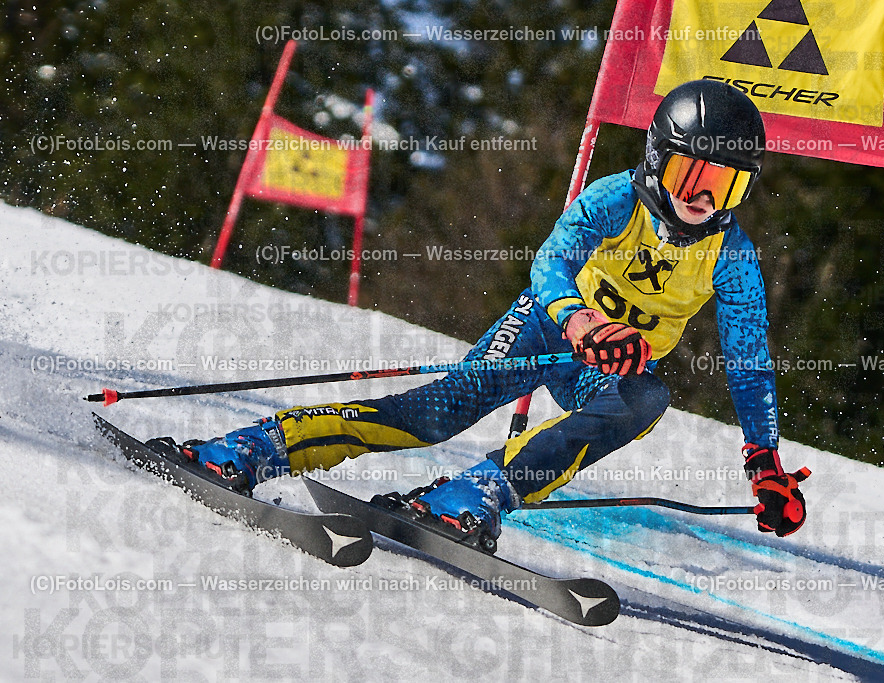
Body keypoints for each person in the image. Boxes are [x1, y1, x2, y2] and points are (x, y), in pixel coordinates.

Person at [175, 80, 809, 549]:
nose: (702, 197)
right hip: (544, 329)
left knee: (645, 399)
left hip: (604, 370)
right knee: (434, 415)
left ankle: (475, 494)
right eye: (690, 172)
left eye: (725, 185)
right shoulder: (616, 200)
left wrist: (764, 461)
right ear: (655, 160)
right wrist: (579, 322)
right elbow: (552, 263)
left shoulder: (734, 256)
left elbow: (749, 363)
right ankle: (252, 447)